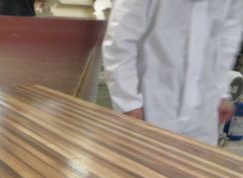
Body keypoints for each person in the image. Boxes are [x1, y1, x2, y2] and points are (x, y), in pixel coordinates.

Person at [103, 0, 243, 145]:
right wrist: (128, 104)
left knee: (198, 157)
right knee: (146, 154)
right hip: (152, 102)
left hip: (204, 106)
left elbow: (228, 40)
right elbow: (120, 42)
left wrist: (221, 91)